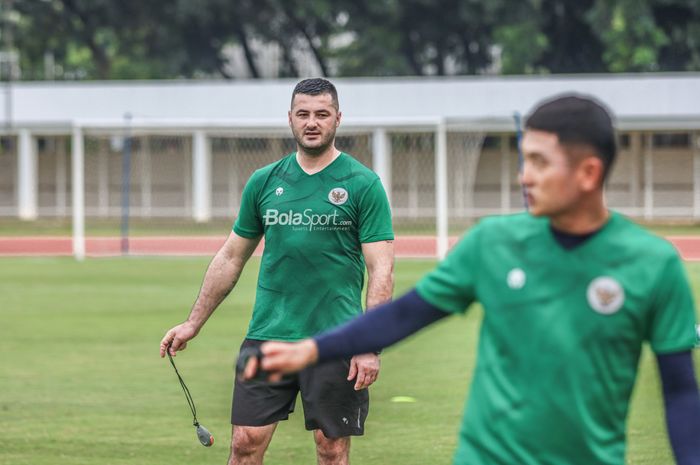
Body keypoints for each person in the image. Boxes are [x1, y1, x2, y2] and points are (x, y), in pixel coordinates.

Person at [245, 94, 700, 465]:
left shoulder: (652, 264)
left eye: (540, 163)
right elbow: (407, 314)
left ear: (588, 173)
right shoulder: (492, 243)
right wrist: (313, 349)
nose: (525, 176)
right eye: (526, 160)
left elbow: (680, 391)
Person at [160, 78, 394, 465]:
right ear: (290, 119)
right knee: (244, 444)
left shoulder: (363, 184)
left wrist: (369, 344)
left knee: (331, 448)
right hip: (268, 336)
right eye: (303, 114)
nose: (312, 122)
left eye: (322, 114)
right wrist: (192, 323)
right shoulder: (264, 181)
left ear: (338, 118)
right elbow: (231, 257)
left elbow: (381, 269)